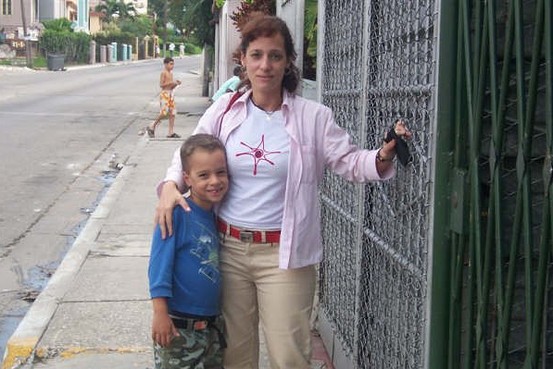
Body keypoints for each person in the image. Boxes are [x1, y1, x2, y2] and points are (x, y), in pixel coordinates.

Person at [155, 15, 412, 369]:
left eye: (274, 56)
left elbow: (351, 162)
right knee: (235, 355)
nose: (265, 65)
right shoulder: (225, 111)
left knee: (289, 356)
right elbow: (190, 151)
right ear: (242, 58)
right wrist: (171, 185)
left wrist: (383, 155)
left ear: (288, 61)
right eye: (256, 55)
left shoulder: (313, 117)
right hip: (227, 251)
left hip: (286, 256)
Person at [149, 133, 229, 369]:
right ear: (187, 178)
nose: (214, 181)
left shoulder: (218, 215)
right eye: (203, 175)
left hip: (212, 327)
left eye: (220, 172)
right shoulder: (175, 214)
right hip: (178, 329)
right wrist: (160, 314)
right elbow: (158, 267)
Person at [147, 57, 181, 139]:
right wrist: (171, 82)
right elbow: (161, 85)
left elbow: (171, 86)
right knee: (164, 112)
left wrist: (176, 84)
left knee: (172, 113)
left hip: (171, 93)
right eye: (170, 64)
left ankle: (170, 132)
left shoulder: (171, 73)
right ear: (165, 64)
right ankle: (152, 126)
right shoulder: (164, 73)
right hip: (165, 94)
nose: (172, 66)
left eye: (173, 64)